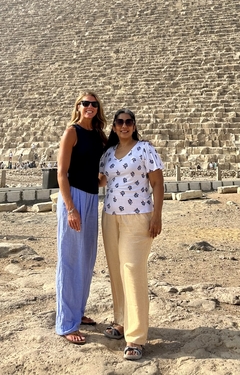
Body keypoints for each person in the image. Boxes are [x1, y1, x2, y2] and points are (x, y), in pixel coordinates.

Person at [99, 108, 164, 361]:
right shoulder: (107, 154)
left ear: (134, 125)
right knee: (116, 271)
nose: (124, 126)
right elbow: (103, 180)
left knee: (133, 270)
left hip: (138, 218)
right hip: (110, 217)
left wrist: (157, 216)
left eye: (128, 122)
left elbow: (157, 183)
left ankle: (135, 338)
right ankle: (121, 321)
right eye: (119, 122)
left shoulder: (145, 149)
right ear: (114, 127)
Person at [55, 91, 107, 345]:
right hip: (73, 199)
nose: (90, 107)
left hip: (91, 197)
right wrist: (70, 208)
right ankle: (66, 323)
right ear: (78, 106)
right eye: (85, 103)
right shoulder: (71, 132)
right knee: (70, 259)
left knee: (86, 260)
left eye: (94, 104)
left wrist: (104, 179)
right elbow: (62, 173)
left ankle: (78, 311)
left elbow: (102, 168)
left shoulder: (99, 135)